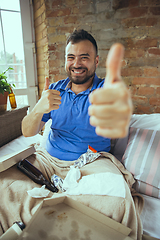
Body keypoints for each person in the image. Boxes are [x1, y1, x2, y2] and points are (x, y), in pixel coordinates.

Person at [22, 29, 133, 161]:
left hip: (93, 163)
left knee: (111, 182)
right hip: (50, 161)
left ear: (96, 61)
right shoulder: (53, 90)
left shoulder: (104, 90)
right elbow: (27, 132)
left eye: (84, 58)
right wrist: (38, 109)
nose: (76, 64)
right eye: (71, 57)